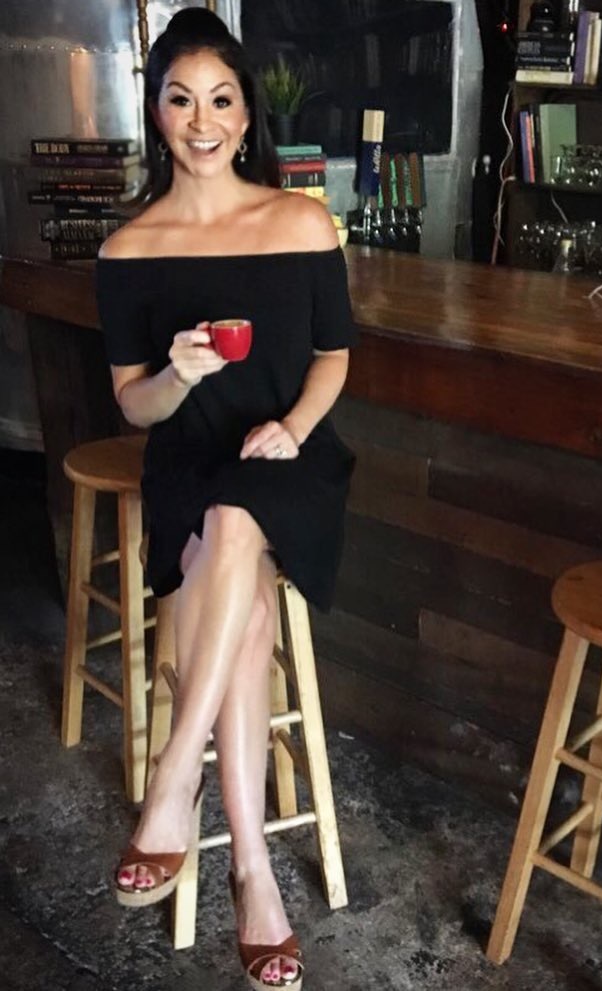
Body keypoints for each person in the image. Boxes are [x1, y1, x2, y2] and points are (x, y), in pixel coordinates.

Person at [95, 8, 356, 989]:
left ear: (247, 114)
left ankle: (175, 779)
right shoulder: (129, 249)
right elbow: (133, 405)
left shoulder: (299, 220)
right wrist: (179, 372)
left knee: (241, 516)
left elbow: (333, 356)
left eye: (220, 99)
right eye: (180, 100)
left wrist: (293, 425)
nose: (201, 122)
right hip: (188, 462)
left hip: (289, 458)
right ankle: (254, 874)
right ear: (157, 113)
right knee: (238, 591)